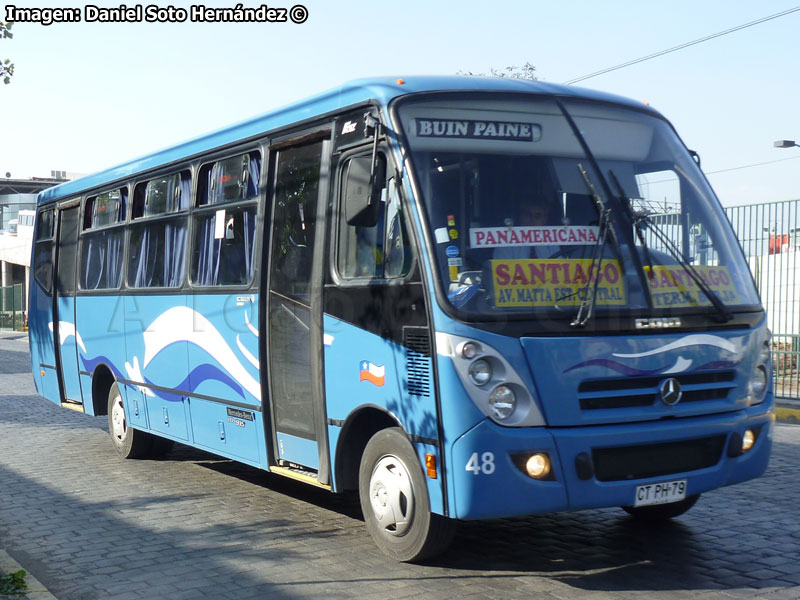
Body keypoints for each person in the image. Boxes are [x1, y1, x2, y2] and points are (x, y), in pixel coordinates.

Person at [494, 199, 560, 260]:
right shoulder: (506, 241)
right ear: (520, 217)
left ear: (545, 219)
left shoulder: (551, 241)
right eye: (527, 214)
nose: (532, 219)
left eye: (537, 216)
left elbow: (561, 266)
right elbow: (501, 268)